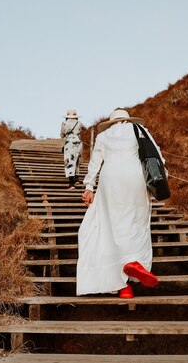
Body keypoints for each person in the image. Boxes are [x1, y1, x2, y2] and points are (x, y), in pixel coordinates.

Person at [77, 108, 166, 299]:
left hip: (110, 180)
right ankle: (132, 262)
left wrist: (89, 187)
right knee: (136, 222)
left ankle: (123, 286)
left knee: (110, 226)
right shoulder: (139, 129)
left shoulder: (103, 136)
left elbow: (95, 163)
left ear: (111, 122)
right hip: (135, 179)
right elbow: (157, 156)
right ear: (127, 120)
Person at [60, 109, 86, 189]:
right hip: (78, 142)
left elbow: (62, 135)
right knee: (77, 160)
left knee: (69, 161)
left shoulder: (64, 123)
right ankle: (77, 178)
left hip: (69, 143)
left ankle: (71, 183)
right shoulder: (79, 123)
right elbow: (85, 128)